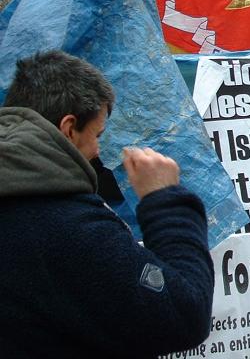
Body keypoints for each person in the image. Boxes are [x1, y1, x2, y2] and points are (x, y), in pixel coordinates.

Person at [0, 50, 213, 358]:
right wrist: (166, 201)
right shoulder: (69, 227)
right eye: (97, 135)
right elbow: (184, 314)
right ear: (68, 128)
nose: (98, 150)